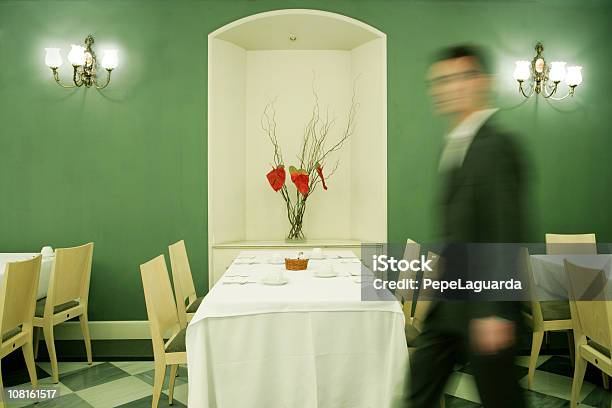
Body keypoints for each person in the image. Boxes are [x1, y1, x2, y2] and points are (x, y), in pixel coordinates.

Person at [405, 45, 527, 407]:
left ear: (482, 82)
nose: (448, 88)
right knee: (419, 391)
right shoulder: (457, 143)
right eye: (440, 81)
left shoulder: (497, 145)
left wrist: (497, 310)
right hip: (450, 302)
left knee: (501, 398)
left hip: (484, 306)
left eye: (460, 78)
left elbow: (506, 230)